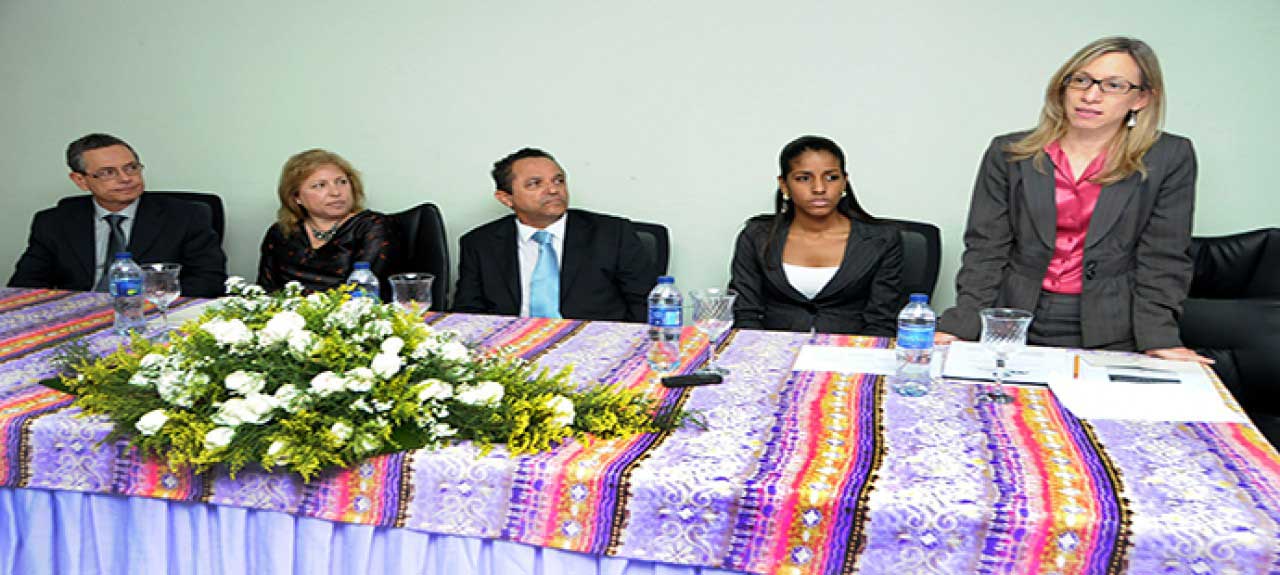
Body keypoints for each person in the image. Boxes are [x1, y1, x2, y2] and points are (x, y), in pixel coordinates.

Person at [936, 37, 1210, 363]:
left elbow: (1163, 256)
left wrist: (1159, 337)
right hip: (1011, 318)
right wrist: (963, 323)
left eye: (1113, 85)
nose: (1090, 95)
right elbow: (986, 248)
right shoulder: (1010, 152)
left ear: (1141, 98)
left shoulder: (1169, 156)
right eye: (1081, 80)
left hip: (1113, 324)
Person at [8, 133, 227, 297]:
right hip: (78, 317)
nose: (125, 178)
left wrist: (140, 301)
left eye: (131, 168)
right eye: (108, 173)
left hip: (152, 314)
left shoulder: (186, 216)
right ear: (80, 180)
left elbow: (209, 281)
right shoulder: (53, 223)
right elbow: (25, 286)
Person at [453, 148, 656, 322]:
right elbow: (468, 314)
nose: (553, 190)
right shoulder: (480, 243)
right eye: (535, 183)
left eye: (559, 181)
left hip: (597, 344)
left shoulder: (613, 233)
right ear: (506, 198)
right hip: (511, 347)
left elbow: (646, 306)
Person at [729, 135, 904, 336]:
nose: (819, 189)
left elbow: (882, 321)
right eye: (804, 178)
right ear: (784, 185)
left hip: (852, 348)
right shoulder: (757, 237)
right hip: (770, 348)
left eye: (831, 178)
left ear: (844, 182)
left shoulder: (882, 240)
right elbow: (745, 314)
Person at [257, 149, 400, 293]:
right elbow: (265, 291)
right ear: (296, 197)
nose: (336, 192)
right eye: (320, 185)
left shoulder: (372, 226)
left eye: (342, 182)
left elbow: (364, 291)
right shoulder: (280, 233)